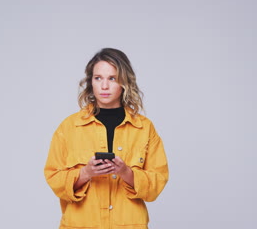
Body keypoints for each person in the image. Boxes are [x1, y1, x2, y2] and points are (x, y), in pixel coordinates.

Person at [44, 48, 169, 229]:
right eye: (98, 78)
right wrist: (85, 174)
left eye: (112, 78)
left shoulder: (144, 128)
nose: (104, 86)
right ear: (90, 82)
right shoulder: (69, 127)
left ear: (124, 82)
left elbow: (157, 183)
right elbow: (54, 177)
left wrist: (126, 173)